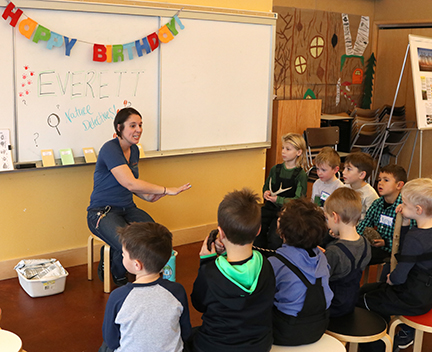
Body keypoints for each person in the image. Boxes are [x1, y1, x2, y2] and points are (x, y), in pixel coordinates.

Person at [87, 107, 191, 286]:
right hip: (102, 211)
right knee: (125, 243)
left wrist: (148, 197)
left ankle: (142, 274)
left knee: (157, 235)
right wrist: (166, 189)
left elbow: (131, 186)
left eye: (140, 125)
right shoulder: (109, 149)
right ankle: (119, 278)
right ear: (119, 128)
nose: (138, 130)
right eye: (132, 125)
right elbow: (130, 183)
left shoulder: (134, 150)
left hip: (127, 208)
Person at [188, 189, 275, 352]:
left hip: (215, 346)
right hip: (259, 345)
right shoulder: (266, 265)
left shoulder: (210, 271)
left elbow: (198, 304)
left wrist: (206, 261)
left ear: (220, 233)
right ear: (258, 230)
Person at [358, 178, 432, 352]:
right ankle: (390, 334)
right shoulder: (422, 233)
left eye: (404, 204)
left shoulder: (416, 238)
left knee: (362, 299)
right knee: (369, 289)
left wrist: (391, 279)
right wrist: (405, 223)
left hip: (410, 297)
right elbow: (413, 253)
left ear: (418, 210)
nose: (401, 207)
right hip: (426, 293)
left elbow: (399, 276)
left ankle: (376, 346)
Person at [99, 222, 191, 352]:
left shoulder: (118, 296)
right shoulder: (177, 291)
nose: (122, 257)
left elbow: (111, 340)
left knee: (105, 347)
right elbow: (185, 333)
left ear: (137, 265)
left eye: (123, 255)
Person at [268, 198, 333, 346]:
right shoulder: (322, 257)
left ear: (282, 233)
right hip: (319, 327)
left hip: (285, 331)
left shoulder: (275, 263)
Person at [322, 187, 371, 317]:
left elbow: (322, 281)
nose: (327, 223)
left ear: (335, 217)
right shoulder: (366, 244)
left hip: (333, 307)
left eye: (327, 218)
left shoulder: (334, 251)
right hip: (350, 303)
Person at [255, 132, 308, 249]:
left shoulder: (300, 175)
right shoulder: (275, 169)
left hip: (285, 211)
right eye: (283, 148)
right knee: (257, 230)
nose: (283, 151)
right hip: (269, 207)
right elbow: (267, 185)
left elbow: (298, 200)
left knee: (275, 237)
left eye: (288, 149)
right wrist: (266, 192)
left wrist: (278, 199)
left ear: (299, 152)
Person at [357, 164, 409, 266]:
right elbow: (364, 225)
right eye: (379, 179)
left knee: (359, 256)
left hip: (393, 250)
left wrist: (386, 242)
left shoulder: (405, 208)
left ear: (399, 185)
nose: (380, 183)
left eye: (386, 180)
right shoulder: (377, 203)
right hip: (376, 247)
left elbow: (407, 239)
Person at [342, 152, 378, 221]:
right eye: (344, 168)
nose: (343, 172)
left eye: (349, 169)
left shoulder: (370, 195)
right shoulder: (344, 187)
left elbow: (371, 220)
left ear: (361, 174)